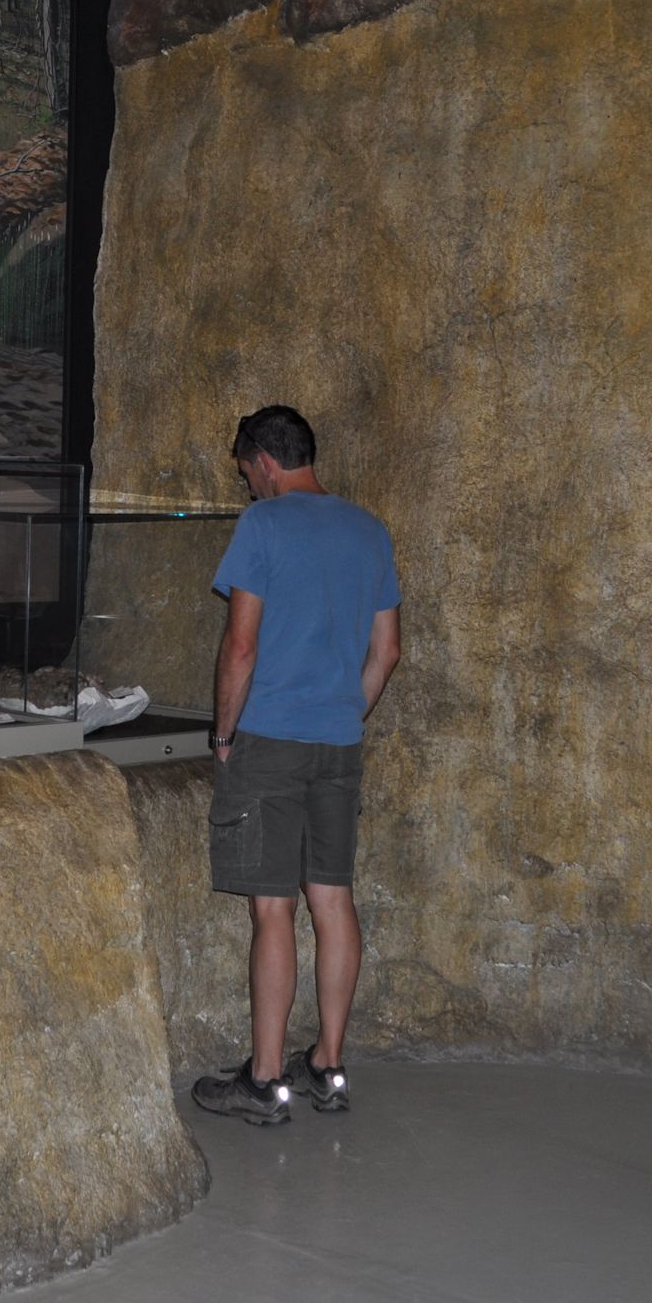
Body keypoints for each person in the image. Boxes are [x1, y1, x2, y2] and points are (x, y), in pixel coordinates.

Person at [193, 405, 402, 1126]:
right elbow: (387, 652)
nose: (249, 486)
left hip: (270, 740)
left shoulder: (264, 523)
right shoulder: (369, 530)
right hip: (338, 742)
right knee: (332, 899)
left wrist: (224, 734)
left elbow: (240, 644)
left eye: (245, 473)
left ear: (263, 462)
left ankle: (264, 1080)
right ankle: (328, 1066)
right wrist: (342, 712)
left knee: (272, 907)